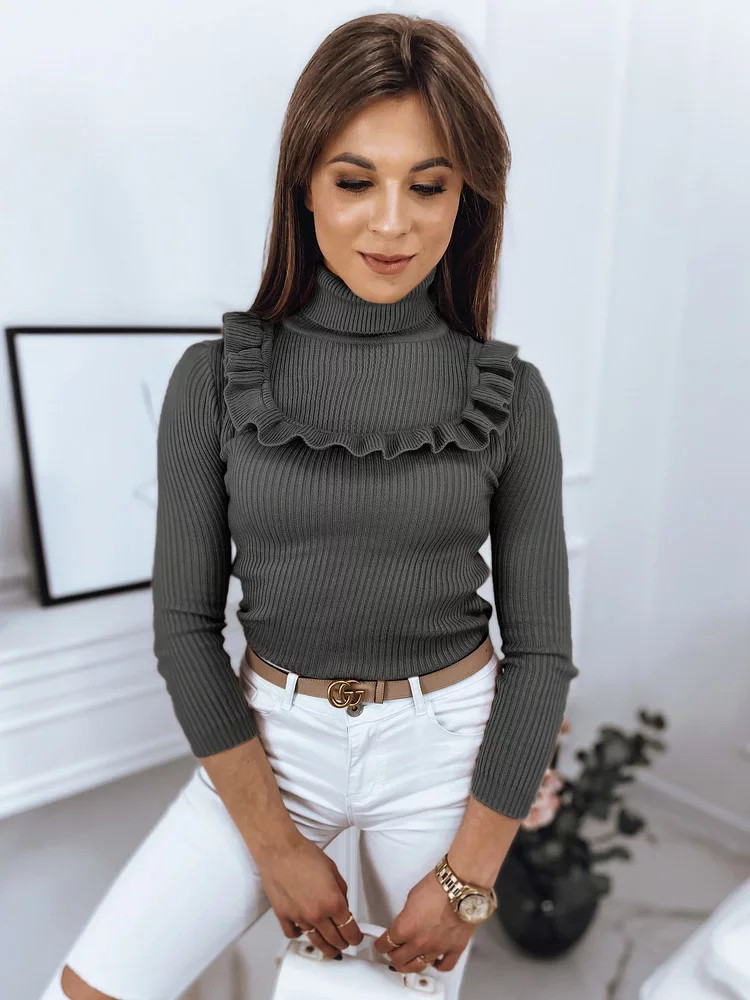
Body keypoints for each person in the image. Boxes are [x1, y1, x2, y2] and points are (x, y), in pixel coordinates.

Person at [42, 12, 578, 1000]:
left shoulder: (511, 396)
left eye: (429, 185)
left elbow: (541, 654)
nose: (393, 223)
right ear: (304, 184)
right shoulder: (214, 380)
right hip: (272, 742)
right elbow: (184, 629)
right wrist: (277, 847)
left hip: (443, 749)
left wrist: (467, 879)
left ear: (467, 195)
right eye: (355, 180)